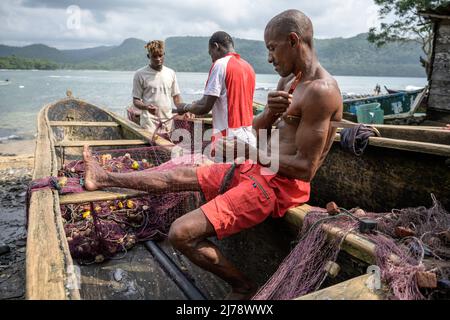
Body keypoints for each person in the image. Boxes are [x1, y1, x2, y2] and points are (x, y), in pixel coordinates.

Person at [83, 9, 342, 299]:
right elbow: (257, 128)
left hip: (278, 187)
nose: (269, 58)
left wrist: (250, 152)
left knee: (180, 233)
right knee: (176, 175)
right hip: (257, 168)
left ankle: (242, 286)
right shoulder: (287, 82)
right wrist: (269, 112)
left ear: (293, 41)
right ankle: (103, 177)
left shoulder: (321, 91)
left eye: (272, 48)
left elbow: (306, 170)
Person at [176, 31, 257, 147]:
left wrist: (184, 107)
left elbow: (204, 107)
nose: (212, 59)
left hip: (228, 140)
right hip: (249, 138)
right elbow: (226, 98)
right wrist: (198, 103)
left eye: (211, 53)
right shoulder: (248, 67)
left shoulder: (220, 65)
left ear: (216, 46)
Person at [130, 40, 187, 133]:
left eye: (160, 55)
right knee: (152, 147)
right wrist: (147, 107)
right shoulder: (140, 74)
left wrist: (185, 109)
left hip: (167, 122)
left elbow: (176, 97)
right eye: (154, 56)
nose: (158, 59)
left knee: (164, 147)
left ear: (164, 54)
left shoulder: (171, 73)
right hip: (149, 123)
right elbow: (136, 100)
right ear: (148, 56)